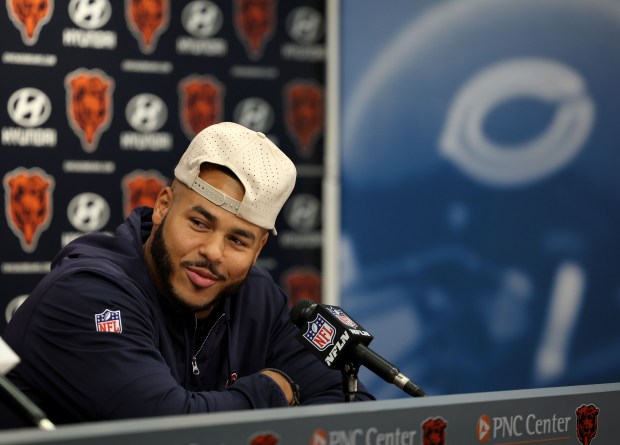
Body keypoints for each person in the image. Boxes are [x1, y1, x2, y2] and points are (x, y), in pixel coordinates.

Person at [0, 122, 374, 428]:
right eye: (199, 222)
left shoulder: (256, 296)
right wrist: (278, 389)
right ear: (163, 206)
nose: (213, 252)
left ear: (258, 250)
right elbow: (168, 428)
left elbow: (347, 404)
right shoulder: (87, 292)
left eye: (238, 240)